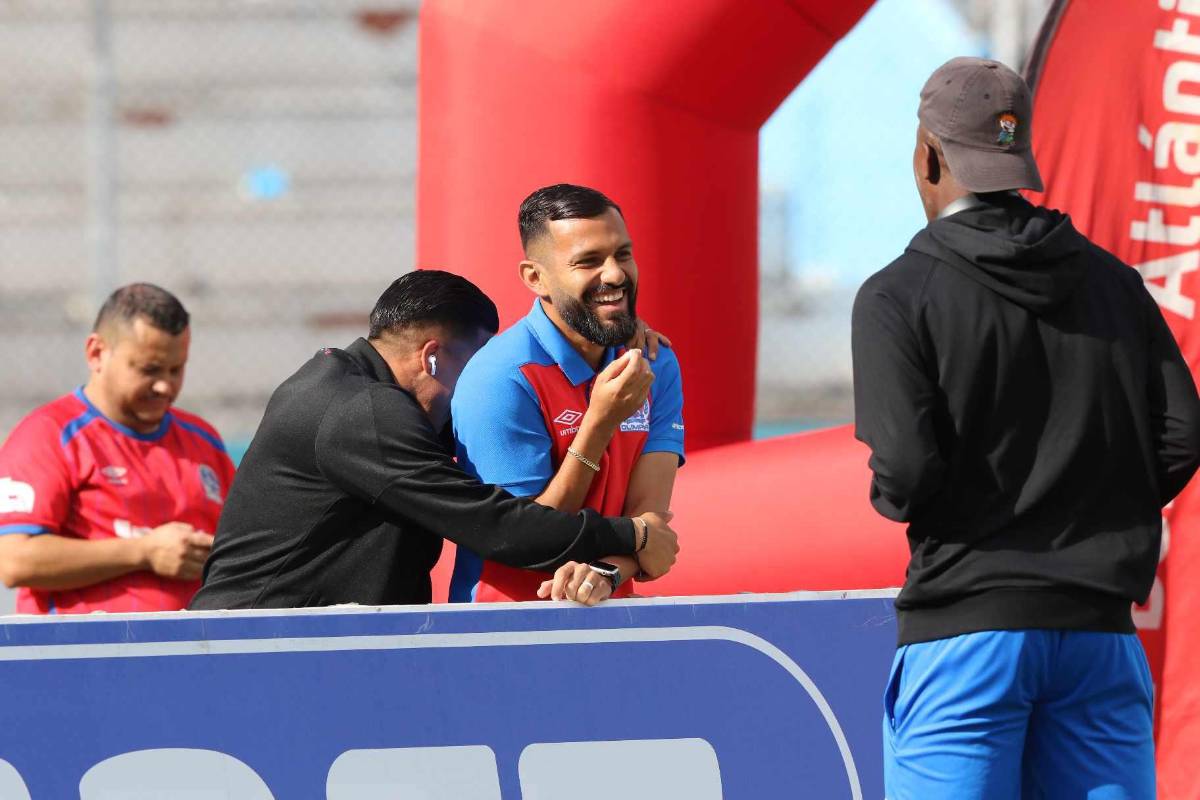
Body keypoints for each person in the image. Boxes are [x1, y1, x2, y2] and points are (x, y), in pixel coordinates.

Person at [852, 57, 1200, 799]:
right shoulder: (1114, 282)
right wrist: (1096, 508)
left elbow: (906, 473)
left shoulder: (896, 295)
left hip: (965, 634)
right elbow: (1181, 436)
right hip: (1099, 635)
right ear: (1017, 157)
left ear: (929, 156)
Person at [190, 269, 678, 610]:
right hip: (258, 652)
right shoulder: (366, 413)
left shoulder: (341, 385)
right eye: (475, 370)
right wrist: (631, 535)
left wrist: (607, 335)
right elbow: (496, 526)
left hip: (291, 646)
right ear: (432, 358)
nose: (478, 393)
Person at [450, 184, 685, 606]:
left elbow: (652, 529)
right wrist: (599, 422)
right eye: (588, 261)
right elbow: (529, 540)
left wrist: (606, 573)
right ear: (535, 278)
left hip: (611, 617)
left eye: (623, 255)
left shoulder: (654, 362)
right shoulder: (499, 379)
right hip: (502, 627)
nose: (614, 275)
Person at [0, 283, 233, 614]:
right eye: (149, 369)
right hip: (86, 660)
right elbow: (15, 561)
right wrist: (144, 552)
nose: (165, 385)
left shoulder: (203, 439)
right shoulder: (47, 435)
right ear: (96, 353)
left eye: (176, 369)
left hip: (193, 657)